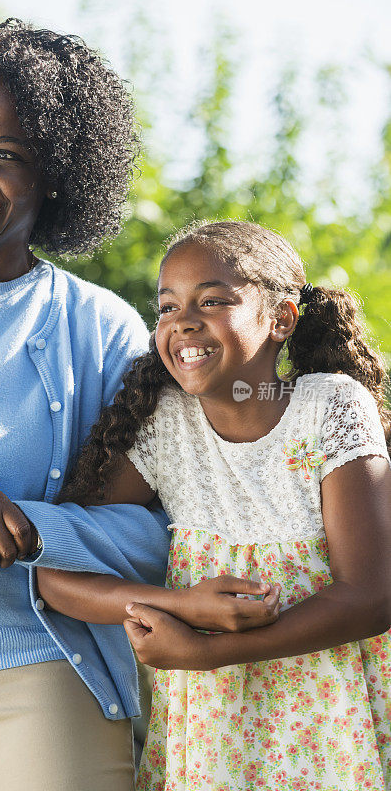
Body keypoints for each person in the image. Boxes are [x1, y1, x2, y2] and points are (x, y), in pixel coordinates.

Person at [0, 22, 277, 791]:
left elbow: (156, 531)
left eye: (6, 153)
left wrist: (23, 527)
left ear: (58, 173)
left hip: (39, 670)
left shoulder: (105, 330)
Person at [36, 220, 391, 790]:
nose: (183, 322)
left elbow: (371, 597)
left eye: (212, 300)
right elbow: (56, 574)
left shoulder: (331, 407)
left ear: (281, 319)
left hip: (331, 720)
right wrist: (179, 606)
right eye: (168, 307)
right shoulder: (166, 426)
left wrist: (208, 653)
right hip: (212, 731)